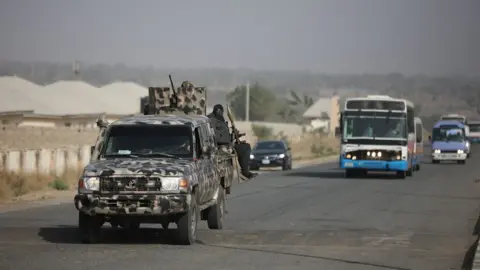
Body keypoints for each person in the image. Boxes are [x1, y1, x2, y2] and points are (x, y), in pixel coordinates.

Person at [208, 104, 257, 180]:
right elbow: (215, 136)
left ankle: (245, 171)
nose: (222, 113)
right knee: (245, 148)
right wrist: (230, 140)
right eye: (222, 111)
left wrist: (234, 135)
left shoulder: (219, 119)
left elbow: (223, 134)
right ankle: (245, 172)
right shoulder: (212, 120)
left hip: (227, 144)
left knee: (245, 146)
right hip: (221, 146)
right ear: (218, 110)